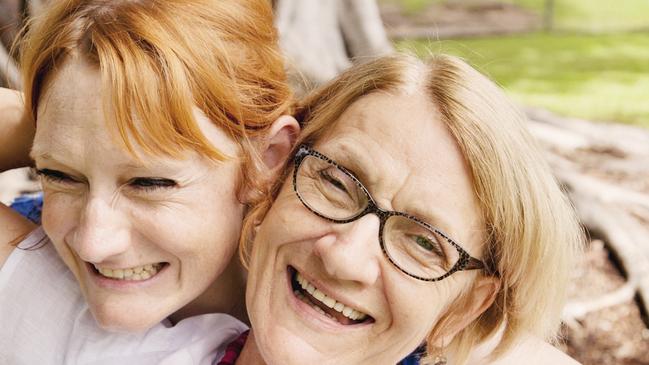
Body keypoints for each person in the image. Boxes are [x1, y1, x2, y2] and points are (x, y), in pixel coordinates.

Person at [230, 53, 584, 365]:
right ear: (275, 181)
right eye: (336, 184)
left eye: (424, 243)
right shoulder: (183, 335)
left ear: (464, 309)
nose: (343, 259)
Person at [0, 0, 298, 363]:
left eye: (149, 182)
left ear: (267, 158)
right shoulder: (30, 247)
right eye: (59, 174)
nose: (93, 244)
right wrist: (60, 117)